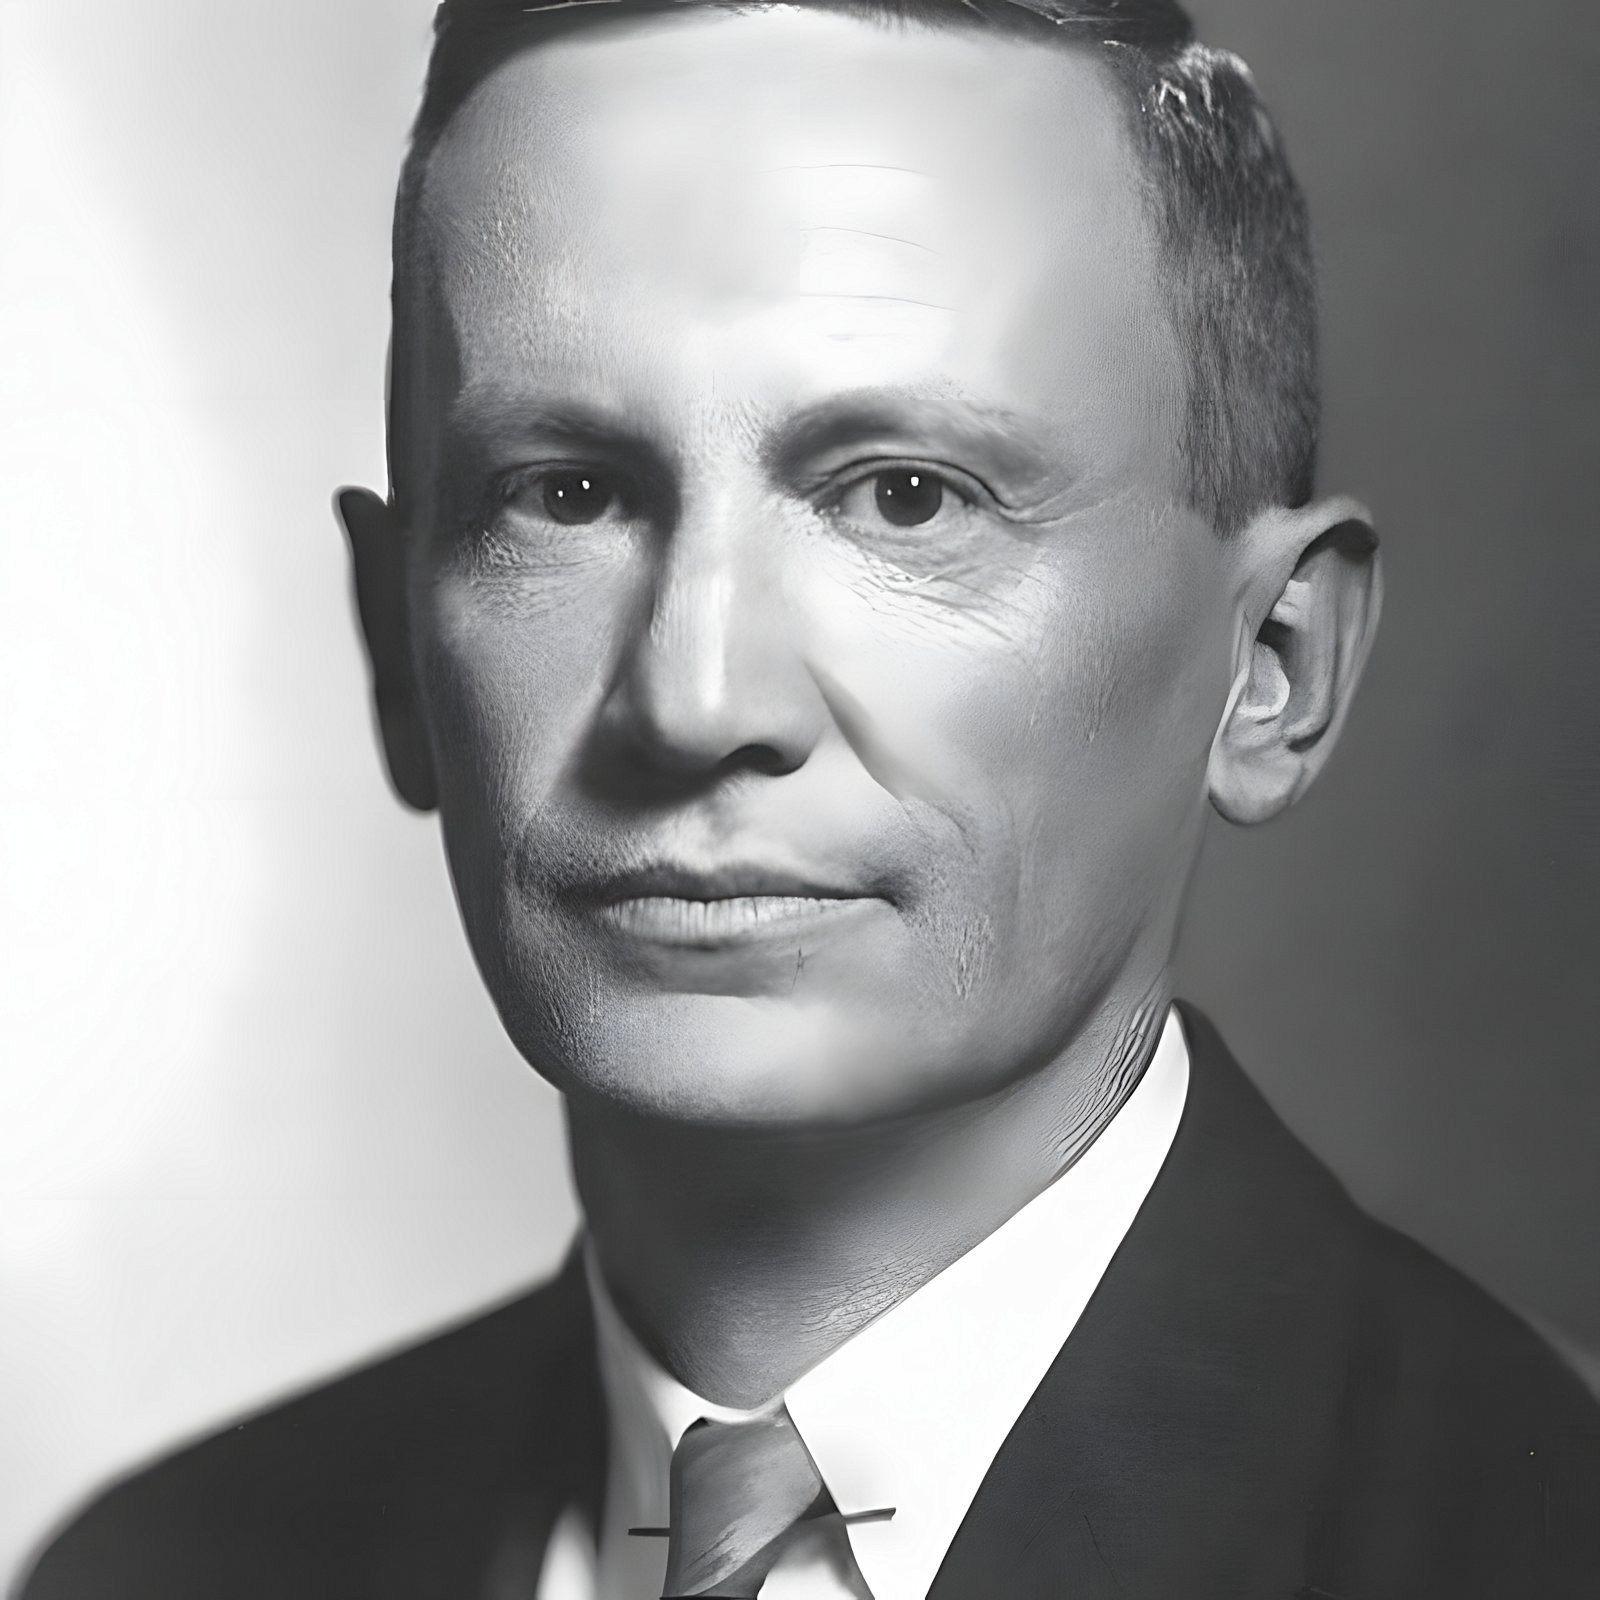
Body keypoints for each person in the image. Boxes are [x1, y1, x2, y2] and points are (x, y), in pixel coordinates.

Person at [22, 0, 1600, 1596]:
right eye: (565, 493)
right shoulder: (142, 1574)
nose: (697, 697)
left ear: (1272, 664)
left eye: (906, 497)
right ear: (390, 644)